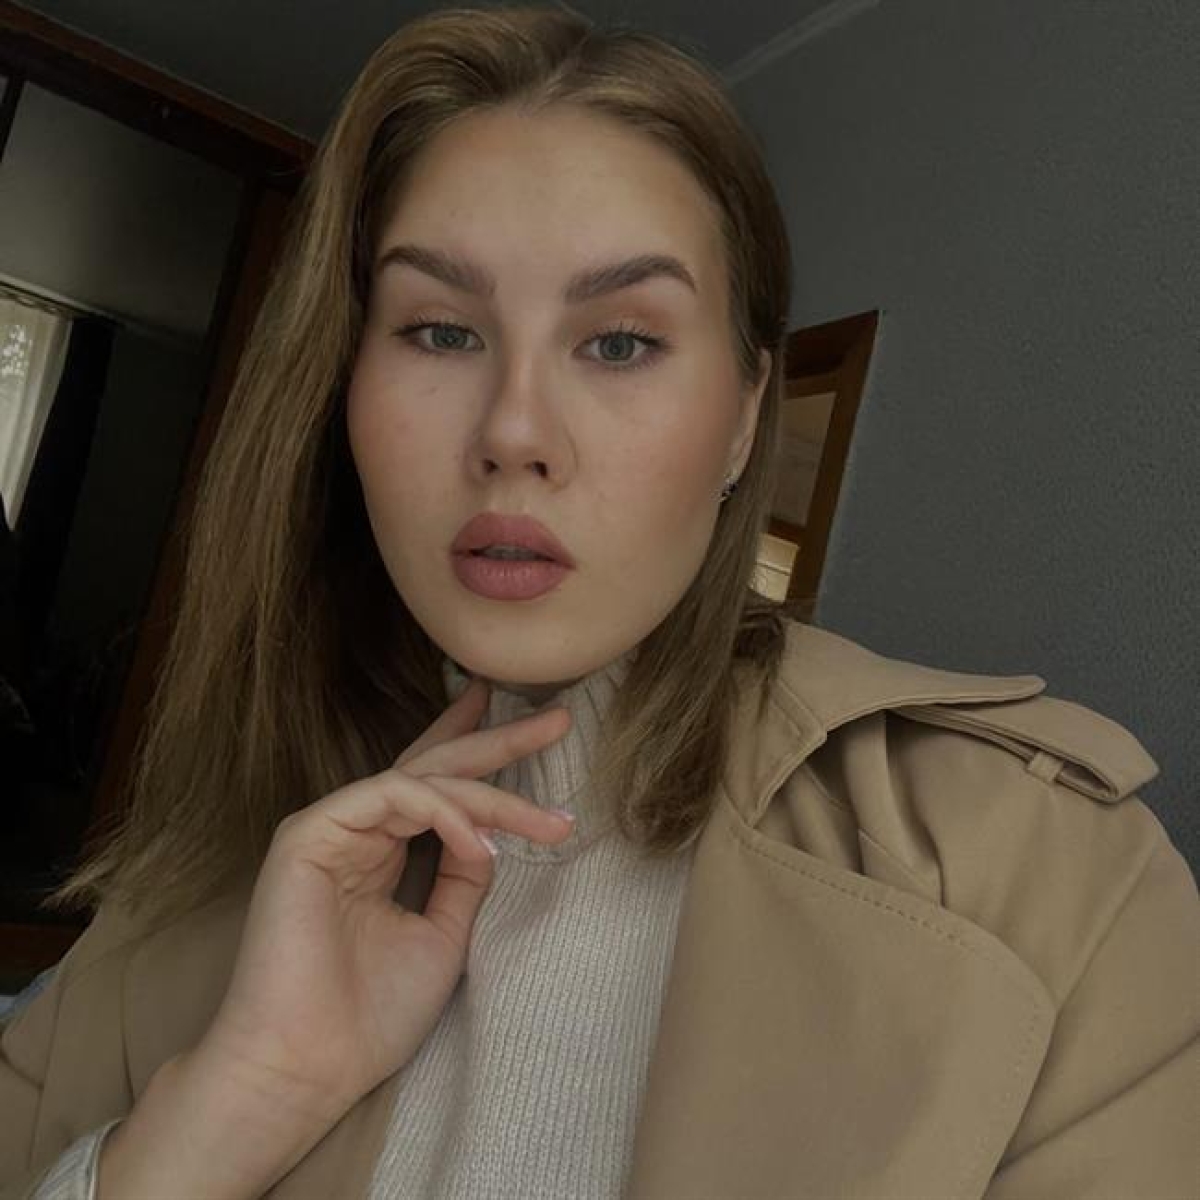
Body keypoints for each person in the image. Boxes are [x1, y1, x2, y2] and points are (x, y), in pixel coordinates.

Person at [2, 6, 1197, 1199]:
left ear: (744, 418)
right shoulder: (179, 895)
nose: (515, 431)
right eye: (440, 330)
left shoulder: (1051, 881)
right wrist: (244, 1096)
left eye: (620, 343)